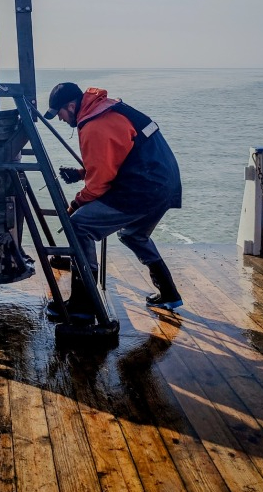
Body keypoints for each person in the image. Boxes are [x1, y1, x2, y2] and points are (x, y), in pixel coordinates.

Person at [44, 82, 182, 317]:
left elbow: (99, 185)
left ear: (71, 105)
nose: (61, 119)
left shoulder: (95, 124)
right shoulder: (108, 109)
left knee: (79, 225)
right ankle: (169, 293)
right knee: (133, 234)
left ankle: (84, 304)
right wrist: (80, 174)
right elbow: (120, 159)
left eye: (60, 114)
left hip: (143, 188)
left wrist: (76, 204)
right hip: (163, 184)